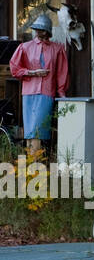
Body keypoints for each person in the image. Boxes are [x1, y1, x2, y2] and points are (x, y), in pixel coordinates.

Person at [8, 14, 69, 156]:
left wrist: (62, 93)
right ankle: (32, 166)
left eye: (41, 30)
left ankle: (35, 165)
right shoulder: (25, 47)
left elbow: (61, 73)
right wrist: (32, 72)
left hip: (46, 93)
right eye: (36, 29)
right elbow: (15, 68)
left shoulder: (57, 49)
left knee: (38, 129)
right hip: (29, 93)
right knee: (30, 132)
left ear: (47, 31)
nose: (37, 32)